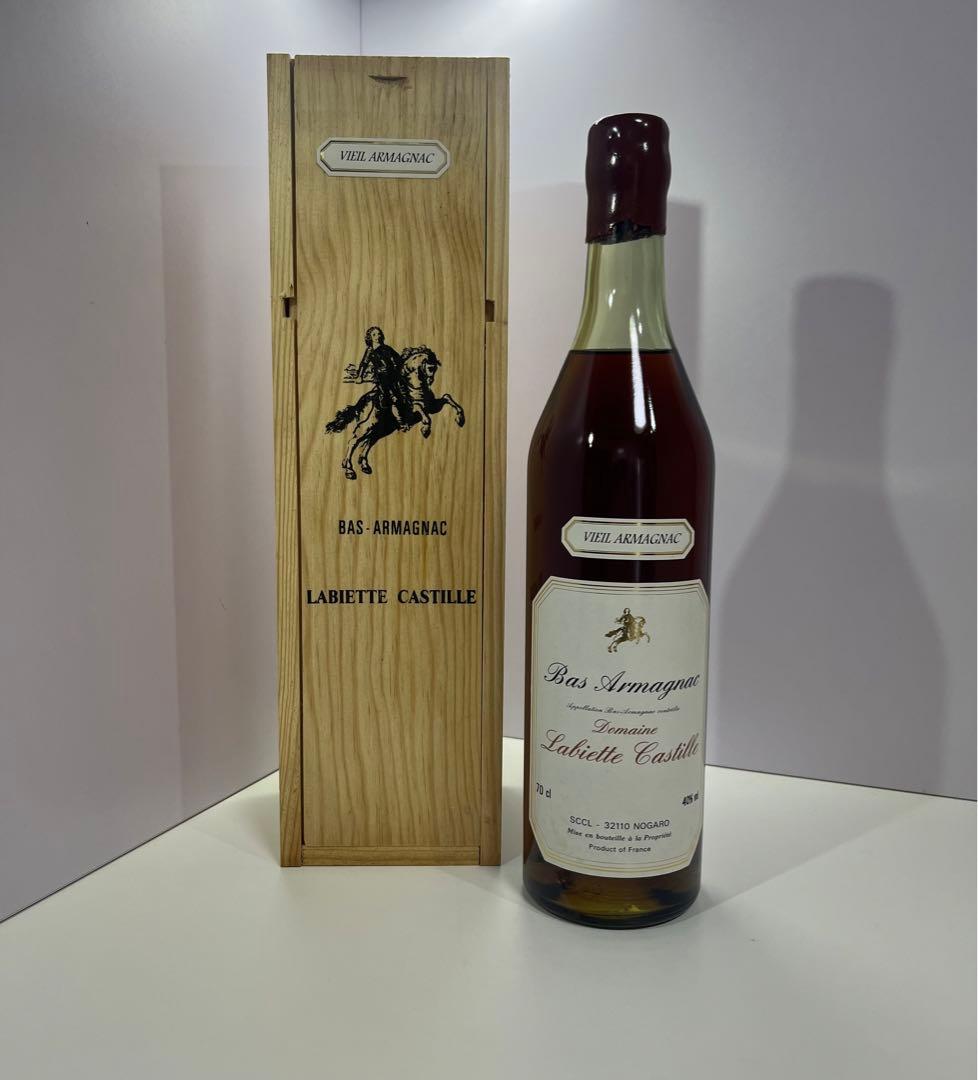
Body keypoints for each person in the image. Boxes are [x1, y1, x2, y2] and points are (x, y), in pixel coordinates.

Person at [345, 326, 412, 431]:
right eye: (374, 334)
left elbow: (398, 359)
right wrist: (360, 376)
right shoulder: (370, 350)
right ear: (370, 338)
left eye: (379, 334)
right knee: (393, 397)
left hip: (393, 376)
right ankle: (401, 423)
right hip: (382, 379)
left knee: (404, 392)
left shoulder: (387, 348)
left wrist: (398, 365)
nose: (377, 336)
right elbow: (364, 364)